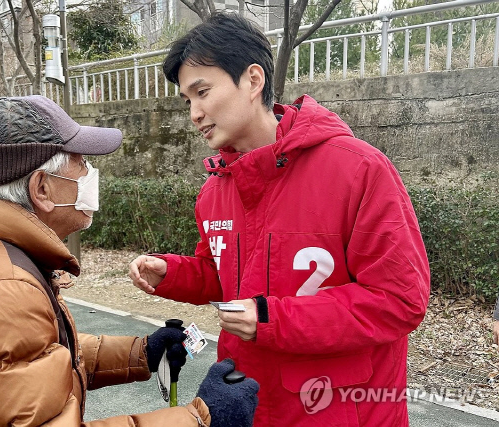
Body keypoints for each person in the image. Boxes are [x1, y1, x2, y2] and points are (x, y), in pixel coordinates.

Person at [0, 95, 259, 426]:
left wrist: (140, 353)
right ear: (42, 188)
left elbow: (31, 360)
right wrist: (200, 419)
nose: (92, 174)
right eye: (81, 163)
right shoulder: (2, 293)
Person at [129, 13, 430, 427]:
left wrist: (273, 319)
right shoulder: (216, 190)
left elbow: (399, 299)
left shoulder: (358, 170)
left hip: (337, 408)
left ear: (253, 80)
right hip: (245, 400)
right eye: (187, 101)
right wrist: (172, 273)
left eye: (203, 92)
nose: (195, 113)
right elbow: (226, 280)